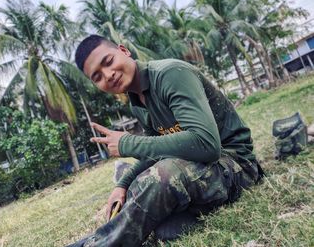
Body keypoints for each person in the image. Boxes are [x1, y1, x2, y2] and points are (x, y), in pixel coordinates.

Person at [68, 35, 264, 247]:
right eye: (97, 77)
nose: (108, 75)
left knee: (161, 176)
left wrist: (128, 143)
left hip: (236, 165)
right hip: (199, 169)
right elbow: (159, 149)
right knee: (148, 200)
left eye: (108, 62)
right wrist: (122, 185)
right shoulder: (137, 103)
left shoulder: (170, 74)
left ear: (124, 51)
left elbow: (207, 144)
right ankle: (168, 224)